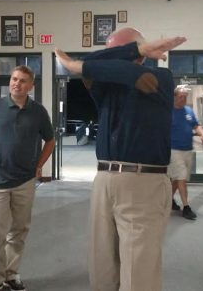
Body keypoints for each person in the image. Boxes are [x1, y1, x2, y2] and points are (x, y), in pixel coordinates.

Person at [55, 27, 186, 291]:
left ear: (139, 56)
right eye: (109, 51)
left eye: (118, 51)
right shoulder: (105, 88)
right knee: (101, 266)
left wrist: (134, 53)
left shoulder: (159, 77)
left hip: (143, 181)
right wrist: (134, 49)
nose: (110, 57)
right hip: (104, 179)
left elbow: (102, 68)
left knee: (139, 271)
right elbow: (90, 64)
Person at [0, 65, 55, 291]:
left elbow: (50, 140)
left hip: (25, 180)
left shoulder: (39, 111)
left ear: (31, 86)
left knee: (19, 231)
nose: (16, 83)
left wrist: (39, 166)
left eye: (22, 81)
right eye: (14, 79)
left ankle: (11, 274)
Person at [169, 85, 203, 220]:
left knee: (177, 179)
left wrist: (202, 134)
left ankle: (168, 201)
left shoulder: (189, 111)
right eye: (181, 97)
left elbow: (196, 126)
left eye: (185, 97)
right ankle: (186, 207)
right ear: (174, 97)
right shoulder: (168, 112)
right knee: (182, 178)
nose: (183, 99)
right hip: (174, 150)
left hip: (188, 150)